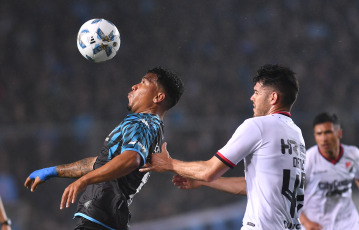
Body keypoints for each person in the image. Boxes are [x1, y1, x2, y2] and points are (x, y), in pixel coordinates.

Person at [141, 64, 306, 230]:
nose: (252, 98)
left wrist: (168, 164)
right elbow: (254, 186)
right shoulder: (296, 134)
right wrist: (206, 182)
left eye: (257, 92)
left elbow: (209, 171)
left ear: (273, 98)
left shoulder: (258, 126)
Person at [24, 67, 184, 230]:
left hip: (100, 218)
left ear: (158, 97)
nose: (134, 86)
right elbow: (102, 162)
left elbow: (131, 159)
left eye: (143, 82)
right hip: (105, 219)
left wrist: (84, 180)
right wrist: (53, 171)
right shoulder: (150, 128)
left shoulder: (142, 123)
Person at [299, 113, 359, 230]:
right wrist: (306, 222)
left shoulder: (353, 155)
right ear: (315, 136)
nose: (324, 138)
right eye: (319, 134)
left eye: (328, 132)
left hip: (348, 223)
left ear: (339, 133)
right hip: (316, 224)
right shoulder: (308, 160)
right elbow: (292, 196)